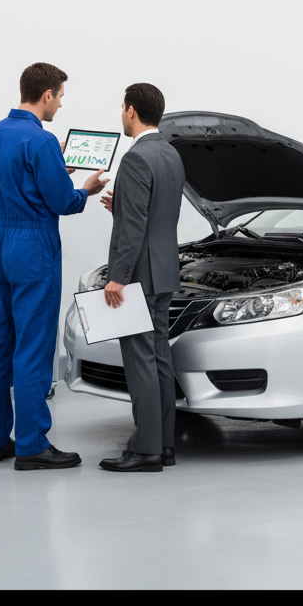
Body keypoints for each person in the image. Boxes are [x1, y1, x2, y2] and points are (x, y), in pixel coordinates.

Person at [0, 63, 109, 469]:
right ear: (48, 94)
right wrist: (85, 189)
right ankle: (32, 444)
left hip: (0, 242)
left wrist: (55, 173)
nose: (60, 105)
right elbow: (62, 203)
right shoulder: (42, 140)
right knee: (34, 347)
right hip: (33, 246)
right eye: (61, 96)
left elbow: (20, 182)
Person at [98, 82, 185, 472]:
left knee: (140, 362)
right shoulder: (171, 154)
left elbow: (134, 226)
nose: (121, 114)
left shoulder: (135, 159)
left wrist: (117, 277)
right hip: (165, 268)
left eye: (122, 108)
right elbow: (154, 215)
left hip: (139, 276)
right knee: (160, 356)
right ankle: (164, 444)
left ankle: (145, 449)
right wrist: (120, 206)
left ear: (131, 110)